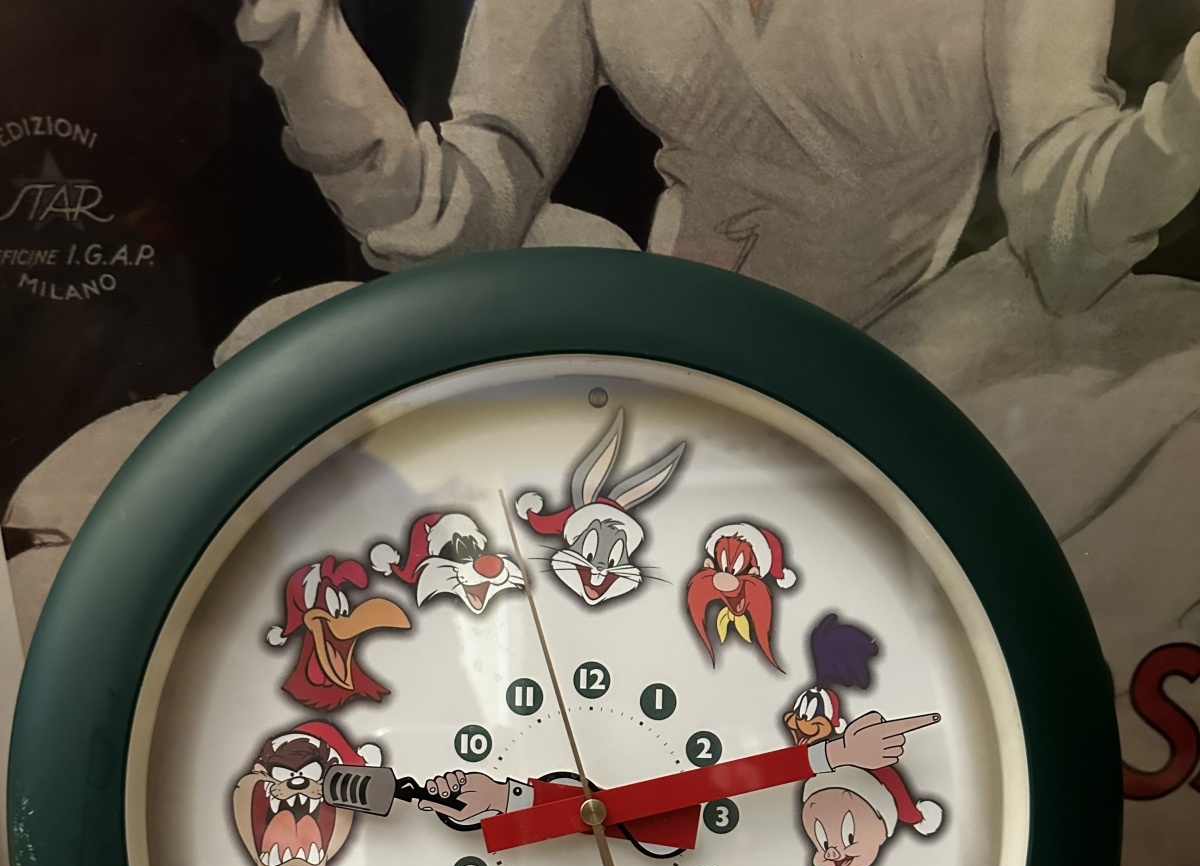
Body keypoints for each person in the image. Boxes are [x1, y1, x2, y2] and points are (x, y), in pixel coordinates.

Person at [234, 0, 1200, 696]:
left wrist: (1188, 118)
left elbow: (1067, 228)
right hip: (664, 353)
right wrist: (304, 46)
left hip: (922, 362)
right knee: (289, 396)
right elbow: (464, 213)